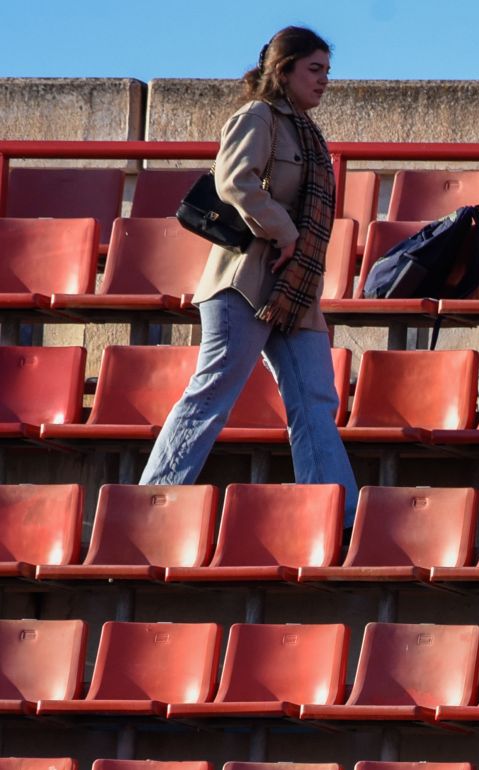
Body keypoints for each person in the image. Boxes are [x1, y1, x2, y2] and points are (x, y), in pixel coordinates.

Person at [140, 27, 357, 521]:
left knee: (315, 401)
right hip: (244, 282)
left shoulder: (307, 130)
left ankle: (333, 518)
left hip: (293, 288)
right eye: (315, 69)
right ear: (284, 71)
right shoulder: (258, 116)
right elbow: (233, 180)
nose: (325, 80)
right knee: (213, 392)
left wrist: (294, 249)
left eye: (328, 70)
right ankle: (148, 507)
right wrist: (286, 234)